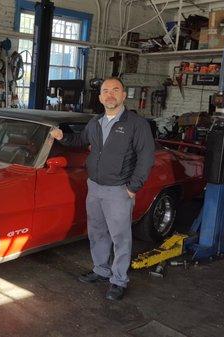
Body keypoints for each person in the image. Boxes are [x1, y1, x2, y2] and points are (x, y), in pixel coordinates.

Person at [50, 77, 155, 300]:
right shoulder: (95, 122)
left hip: (119, 190)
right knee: (97, 233)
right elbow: (80, 141)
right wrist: (62, 137)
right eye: (105, 91)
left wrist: (132, 187)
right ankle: (101, 270)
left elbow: (146, 158)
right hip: (95, 187)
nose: (110, 94)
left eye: (115, 90)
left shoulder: (136, 124)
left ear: (124, 95)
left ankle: (118, 280)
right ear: (99, 97)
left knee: (120, 237)